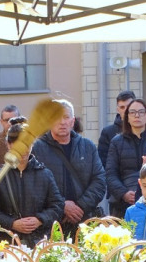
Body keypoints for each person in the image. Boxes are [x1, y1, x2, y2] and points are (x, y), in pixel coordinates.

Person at [0, 117, 64, 247]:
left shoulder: (44, 174)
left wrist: (39, 219)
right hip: (7, 243)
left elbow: (57, 205)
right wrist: (12, 223)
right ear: (9, 145)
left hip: (39, 243)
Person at [32, 99, 106, 239]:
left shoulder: (88, 147)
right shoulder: (37, 149)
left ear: (72, 121)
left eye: (66, 117)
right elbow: (34, 185)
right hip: (51, 224)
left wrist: (80, 206)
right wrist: (62, 205)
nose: (62, 122)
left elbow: (100, 180)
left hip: (84, 220)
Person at [105, 98, 146, 219]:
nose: (137, 115)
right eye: (132, 112)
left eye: (141, 112)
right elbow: (110, 173)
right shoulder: (117, 142)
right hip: (122, 203)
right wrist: (124, 193)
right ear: (127, 116)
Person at [97, 90, 136, 169]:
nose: (126, 110)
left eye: (128, 106)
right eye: (122, 107)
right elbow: (102, 164)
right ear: (118, 109)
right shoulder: (107, 133)